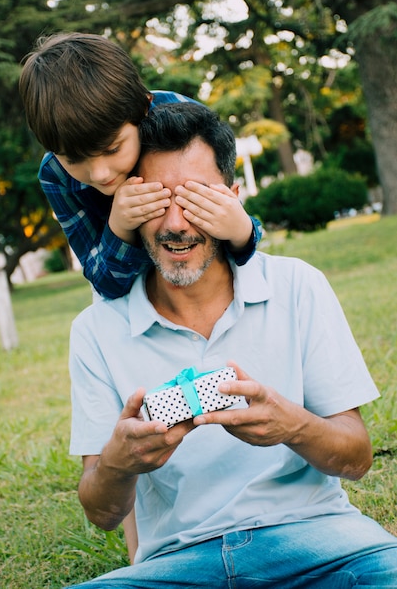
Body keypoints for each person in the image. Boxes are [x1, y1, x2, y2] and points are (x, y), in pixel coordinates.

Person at [66, 102, 397, 588]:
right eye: (158, 201)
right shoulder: (95, 330)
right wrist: (118, 463)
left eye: (196, 198)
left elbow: (357, 457)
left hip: (322, 546)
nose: (176, 222)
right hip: (178, 567)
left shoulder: (297, 286)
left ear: (233, 199)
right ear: (127, 207)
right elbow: (102, 512)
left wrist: (292, 425)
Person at [19, 32, 262, 299]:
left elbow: (226, 218)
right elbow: (103, 283)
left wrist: (242, 232)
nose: (100, 174)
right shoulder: (56, 175)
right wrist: (119, 227)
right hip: (132, 298)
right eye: (74, 159)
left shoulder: (186, 124)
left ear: (143, 109)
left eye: (113, 149)